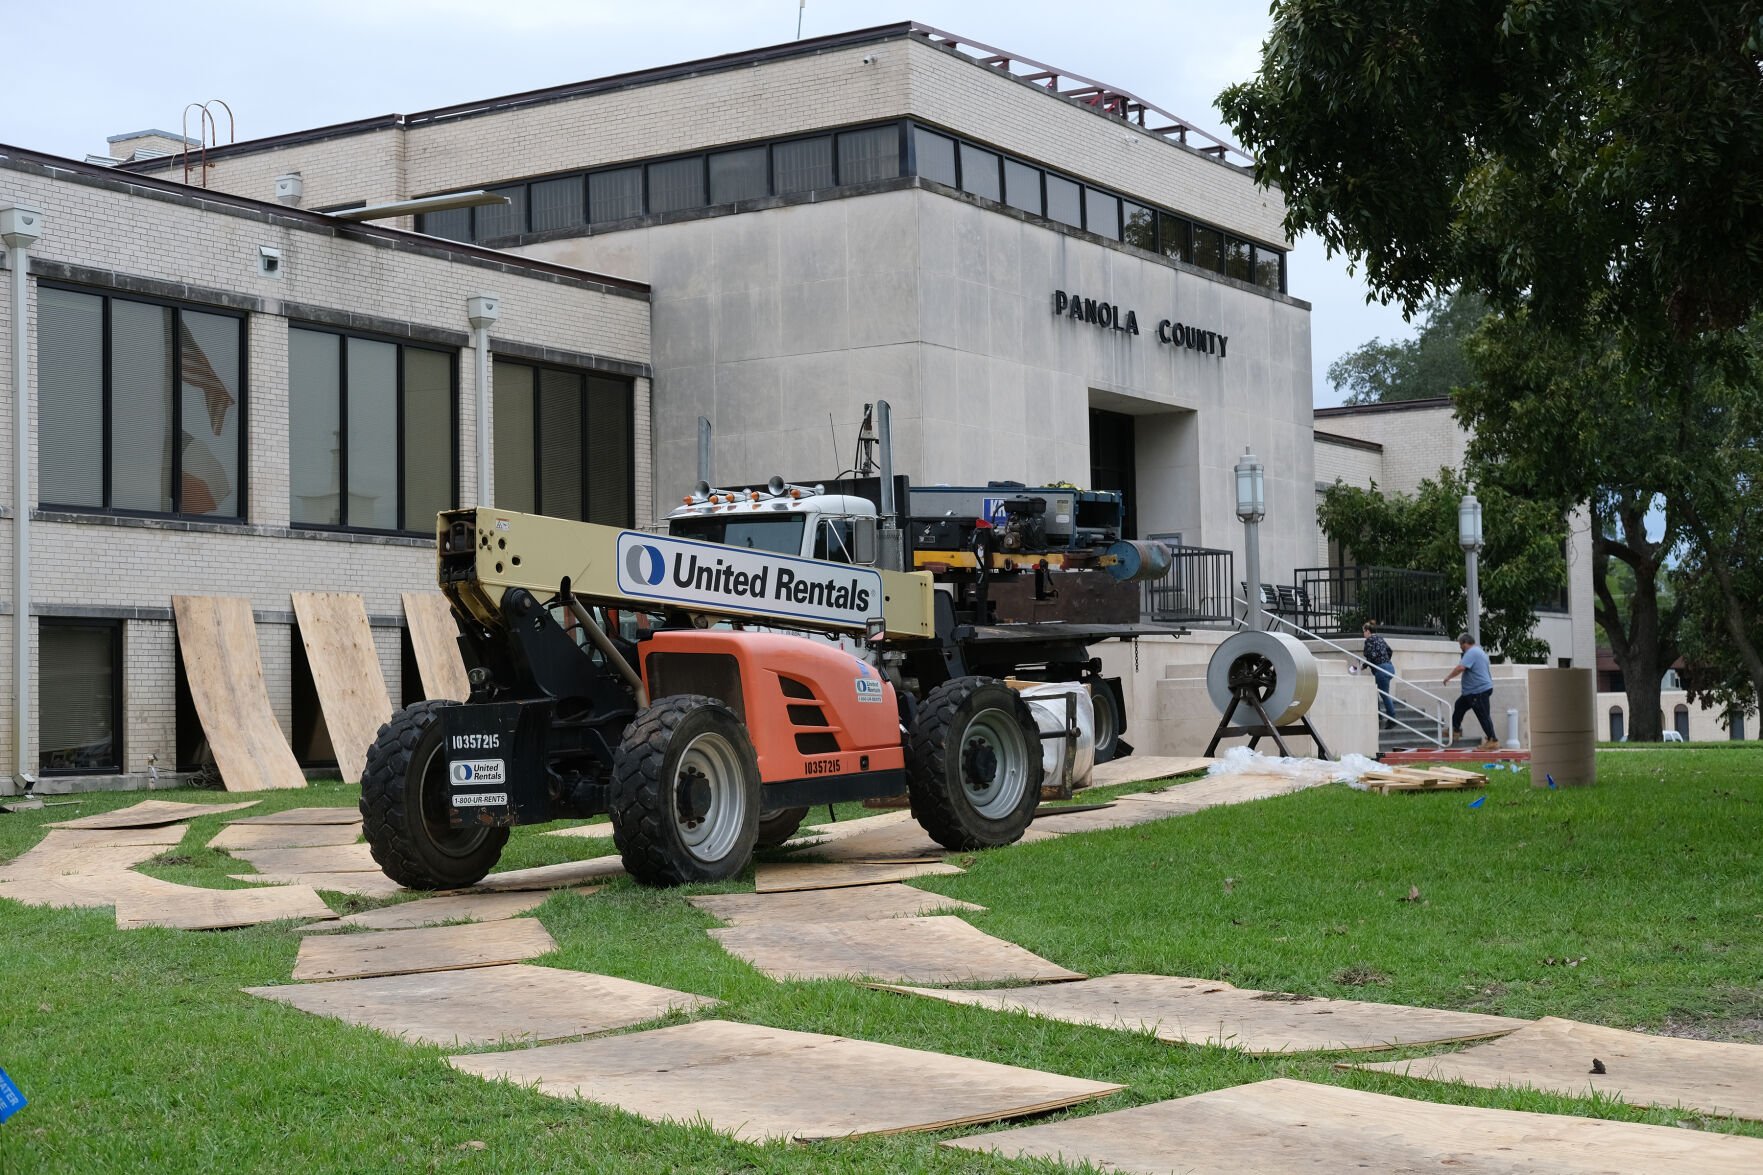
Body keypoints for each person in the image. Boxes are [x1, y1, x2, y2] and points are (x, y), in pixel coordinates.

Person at [1442, 631, 1500, 750]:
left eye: (1460, 645)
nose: (1460, 649)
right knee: (1459, 706)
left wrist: (1448, 677)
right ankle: (1455, 730)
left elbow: (1461, 667)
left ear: (1465, 643)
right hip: (1473, 691)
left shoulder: (1471, 652)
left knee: (1483, 715)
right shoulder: (1479, 651)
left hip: (1478, 691)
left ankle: (1492, 740)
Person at [1361, 621, 1396, 728]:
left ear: (1367, 631)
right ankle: (1379, 713)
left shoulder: (1369, 641)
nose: (1363, 634)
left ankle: (1392, 718)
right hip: (1390, 667)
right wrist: (1385, 661)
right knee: (1376, 690)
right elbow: (1390, 651)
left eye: (1364, 631)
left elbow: (1369, 656)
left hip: (1381, 670)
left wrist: (1364, 666)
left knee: (1384, 695)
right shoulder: (1380, 638)